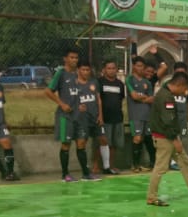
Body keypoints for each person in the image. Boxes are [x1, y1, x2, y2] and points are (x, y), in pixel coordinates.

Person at [147, 70, 188, 206]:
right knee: (160, 167)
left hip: (167, 136)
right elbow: (168, 121)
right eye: (185, 89)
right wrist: (175, 139)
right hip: (165, 138)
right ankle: (151, 197)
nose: (185, 93)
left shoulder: (165, 91)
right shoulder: (167, 97)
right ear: (179, 85)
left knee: (184, 161)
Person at [46, 54, 101, 182]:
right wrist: (62, 104)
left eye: (76, 58)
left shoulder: (78, 75)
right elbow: (48, 91)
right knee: (66, 144)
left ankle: (86, 174)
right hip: (66, 117)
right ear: (65, 59)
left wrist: (80, 105)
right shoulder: (61, 73)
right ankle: (65, 174)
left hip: (79, 116)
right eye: (71, 57)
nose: (74, 60)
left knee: (81, 143)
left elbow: (80, 93)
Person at [97, 60, 127, 175]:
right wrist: (100, 116)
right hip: (104, 118)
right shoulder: (99, 82)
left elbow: (121, 99)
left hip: (117, 118)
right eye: (108, 68)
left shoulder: (120, 84)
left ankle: (111, 166)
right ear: (104, 70)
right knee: (103, 142)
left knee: (114, 144)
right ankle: (97, 166)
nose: (111, 70)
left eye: (113, 68)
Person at [127, 57, 155, 171]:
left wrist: (140, 98)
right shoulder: (129, 79)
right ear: (134, 66)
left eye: (142, 66)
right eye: (138, 66)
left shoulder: (147, 82)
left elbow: (151, 99)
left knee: (147, 138)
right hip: (135, 115)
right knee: (137, 138)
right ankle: (135, 165)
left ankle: (153, 163)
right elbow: (133, 96)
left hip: (147, 115)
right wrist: (143, 97)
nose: (140, 68)